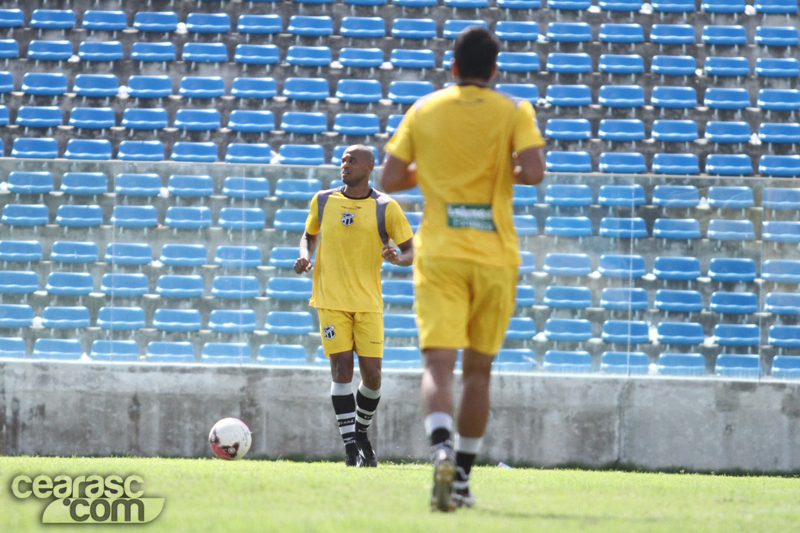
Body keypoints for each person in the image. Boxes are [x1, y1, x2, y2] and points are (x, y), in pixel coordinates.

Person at [380, 28, 546, 511]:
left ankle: (440, 450)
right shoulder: (514, 110)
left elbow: (391, 178)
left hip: (440, 254)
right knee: (478, 371)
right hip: (495, 256)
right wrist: (497, 167)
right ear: (495, 70)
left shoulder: (425, 109)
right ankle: (463, 480)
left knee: (437, 365)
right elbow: (533, 172)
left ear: (452, 68)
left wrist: (432, 171)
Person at [295, 144, 414, 467]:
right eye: (343, 159)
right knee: (341, 368)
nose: (344, 164)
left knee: (373, 376)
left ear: (369, 167)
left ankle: (361, 433)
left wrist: (397, 258)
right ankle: (350, 448)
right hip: (331, 298)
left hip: (367, 302)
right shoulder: (323, 199)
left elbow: (410, 251)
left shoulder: (385, 208)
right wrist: (306, 256)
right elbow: (309, 235)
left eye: (352, 160)